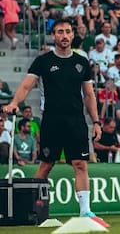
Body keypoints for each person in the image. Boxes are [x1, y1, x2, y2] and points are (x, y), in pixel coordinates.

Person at [3, 18, 101, 217]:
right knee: (46, 165)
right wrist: (14, 103)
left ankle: (86, 212)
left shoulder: (82, 62)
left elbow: (89, 95)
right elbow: (26, 86)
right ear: (53, 35)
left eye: (68, 31)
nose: (64, 36)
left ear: (72, 35)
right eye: (60, 32)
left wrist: (96, 122)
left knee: (80, 164)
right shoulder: (43, 61)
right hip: (52, 121)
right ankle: (34, 211)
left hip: (76, 121)